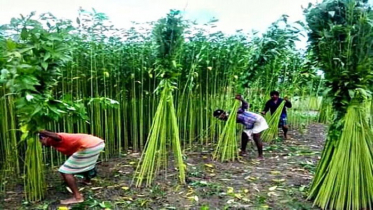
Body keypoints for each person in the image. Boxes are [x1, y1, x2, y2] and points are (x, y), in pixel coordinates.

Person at [38, 130, 105, 205]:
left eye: (40, 141)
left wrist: (40, 130)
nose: (41, 144)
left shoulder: (53, 138)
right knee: (84, 164)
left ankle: (78, 197)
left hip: (89, 146)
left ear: (44, 138)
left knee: (64, 171)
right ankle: (87, 181)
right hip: (98, 144)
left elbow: (57, 136)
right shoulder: (54, 143)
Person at [213, 95, 269, 159]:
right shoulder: (227, 119)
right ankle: (243, 151)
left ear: (223, 113)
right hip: (250, 124)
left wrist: (241, 99)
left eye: (219, 116)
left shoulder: (233, 112)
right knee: (244, 134)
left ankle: (261, 155)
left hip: (257, 120)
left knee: (256, 136)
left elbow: (245, 106)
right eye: (217, 117)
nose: (219, 118)